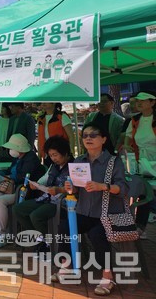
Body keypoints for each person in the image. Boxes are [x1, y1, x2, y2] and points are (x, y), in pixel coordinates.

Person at [53, 122, 129, 296]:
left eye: (93, 135)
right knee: (64, 228)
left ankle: (108, 276)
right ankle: (66, 266)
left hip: (106, 213)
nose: (88, 138)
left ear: (103, 139)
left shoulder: (113, 162)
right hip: (83, 211)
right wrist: (69, 187)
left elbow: (122, 189)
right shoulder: (79, 160)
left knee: (97, 235)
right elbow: (75, 188)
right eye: (85, 135)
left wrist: (102, 186)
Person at [12, 136, 73, 255]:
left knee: (36, 215)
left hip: (62, 202)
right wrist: (37, 185)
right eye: (51, 155)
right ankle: (42, 239)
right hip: (46, 198)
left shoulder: (74, 166)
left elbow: (75, 188)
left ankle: (47, 243)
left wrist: (59, 190)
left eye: (55, 155)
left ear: (65, 153)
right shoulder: (54, 166)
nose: (53, 158)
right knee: (18, 209)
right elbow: (45, 179)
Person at [0, 134, 44, 248]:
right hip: (10, 188)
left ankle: (1, 234)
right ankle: (5, 230)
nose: (10, 150)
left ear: (19, 148)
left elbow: (23, 178)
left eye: (12, 148)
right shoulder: (18, 158)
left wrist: (5, 178)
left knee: (0, 201)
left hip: (22, 191)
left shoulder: (30, 159)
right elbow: (9, 171)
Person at [125, 92, 156, 236]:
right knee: (145, 191)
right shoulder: (135, 120)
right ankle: (140, 226)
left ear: (152, 103)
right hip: (142, 161)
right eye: (138, 101)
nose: (139, 103)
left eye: (143, 101)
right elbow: (128, 135)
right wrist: (127, 145)